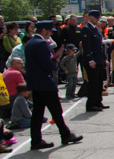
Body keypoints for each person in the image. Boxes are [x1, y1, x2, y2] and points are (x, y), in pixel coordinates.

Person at [25, 21, 82, 150]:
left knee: (38, 112)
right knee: (56, 110)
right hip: (44, 82)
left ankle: (36, 140)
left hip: (35, 82)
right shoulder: (41, 44)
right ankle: (66, 134)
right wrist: (55, 60)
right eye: (49, 31)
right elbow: (47, 65)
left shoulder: (30, 43)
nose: (50, 33)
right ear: (44, 30)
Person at [81, 10, 107, 112]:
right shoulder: (86, 29)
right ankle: (91, 104)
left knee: (99, 82)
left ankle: (98, 102)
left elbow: (100, 46)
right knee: (93, 83)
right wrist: (90, 59)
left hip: (99, 60)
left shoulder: (96, 29)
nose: (98, 20)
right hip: (92, 61)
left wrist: (104, 58)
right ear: (91, 18)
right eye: (96, 18)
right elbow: (87, 46)